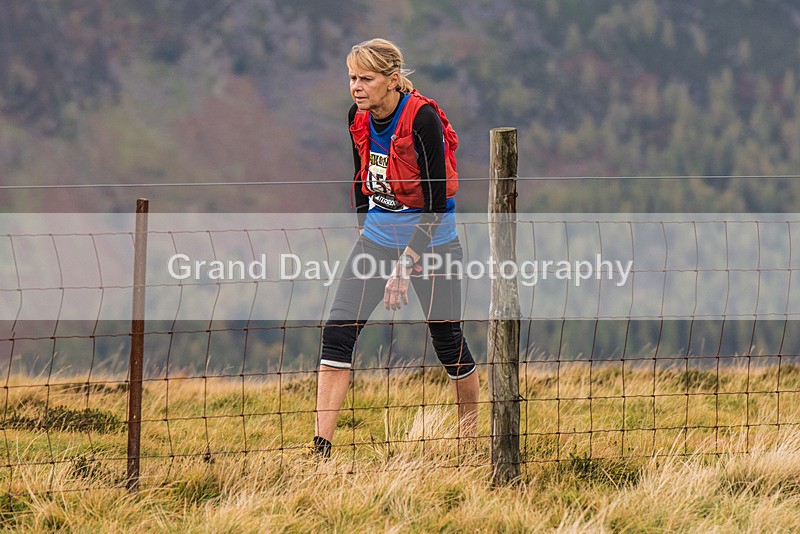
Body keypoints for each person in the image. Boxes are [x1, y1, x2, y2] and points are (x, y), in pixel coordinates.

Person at [310, 38, 479, 459]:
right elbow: (360, 182)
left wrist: (406, 263)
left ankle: (470, 443)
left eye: (366, 78)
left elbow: (438, 204)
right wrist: (366, 238)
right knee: (337, 332)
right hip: (379, 240)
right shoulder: (358, 117)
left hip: (434, 244)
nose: (356, 87)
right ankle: (320, 451)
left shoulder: (421, 118)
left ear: (391, 79)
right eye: (351, 77)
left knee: (447, 340)